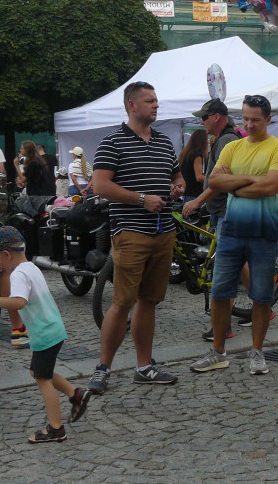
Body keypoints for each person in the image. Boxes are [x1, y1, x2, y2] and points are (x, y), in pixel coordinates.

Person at [87, 81, 185, 394]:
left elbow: (176, 174)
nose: (156, 105)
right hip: (130, 233)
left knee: (149, 301)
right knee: (122, 302)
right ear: (132, 105)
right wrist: (142, 199)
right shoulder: (112, 141)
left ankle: (144, 366)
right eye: (149, 100)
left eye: (157, 100)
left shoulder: (164, 142)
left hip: (163, 231)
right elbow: (100, 185)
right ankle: (103, 368)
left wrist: (177, 186)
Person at [189, 94, 278, 375]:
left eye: (255, 119)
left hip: (263, 231)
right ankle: (218, 352)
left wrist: (234, 185)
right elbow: (215, 181)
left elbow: (271, 187)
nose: (250, 124)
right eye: (246, 118)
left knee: (261, 295)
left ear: (268, 120)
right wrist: (251, 180)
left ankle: (257, 352)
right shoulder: (232, 146)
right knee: (220, 292)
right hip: (231, 230)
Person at [0, 226, 91, 443]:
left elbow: (18, 302)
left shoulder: (19, 275)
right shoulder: (29, 267)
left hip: (45, 334)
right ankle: (75, 394)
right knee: (39, 372)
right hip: (53, 329)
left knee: (42, 379)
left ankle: (56, 428)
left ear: (7, 255)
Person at [182, 98, 241, 342]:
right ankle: (259, 307)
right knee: (231, 266)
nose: (201, 122)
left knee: (224, 271)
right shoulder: (220, 139)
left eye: (204, 117)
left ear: (217, 116)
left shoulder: (227, 140)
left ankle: (224, 326)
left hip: (225, 211)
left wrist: (197, 201)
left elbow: (219, 182)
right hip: (219, 211)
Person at [178, 129, 207, 203]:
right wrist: (212, 178)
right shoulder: (197, 155)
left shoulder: (185, 153)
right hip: (194, 194)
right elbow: (199, 177)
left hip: (186, 192)